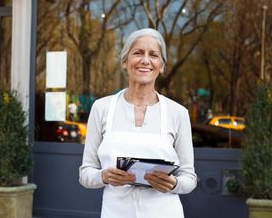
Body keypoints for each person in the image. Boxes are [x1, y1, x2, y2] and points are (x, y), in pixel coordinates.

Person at [79, 28, 197, 218]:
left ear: (162, 65)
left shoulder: (178, 113)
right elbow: (86, 173)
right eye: (137, 53)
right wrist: (104, 176)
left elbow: (189, 178)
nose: (145, 60)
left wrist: (173, 183)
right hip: (115, 212)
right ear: (125, 61)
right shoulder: (102, 108)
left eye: (154, 55)